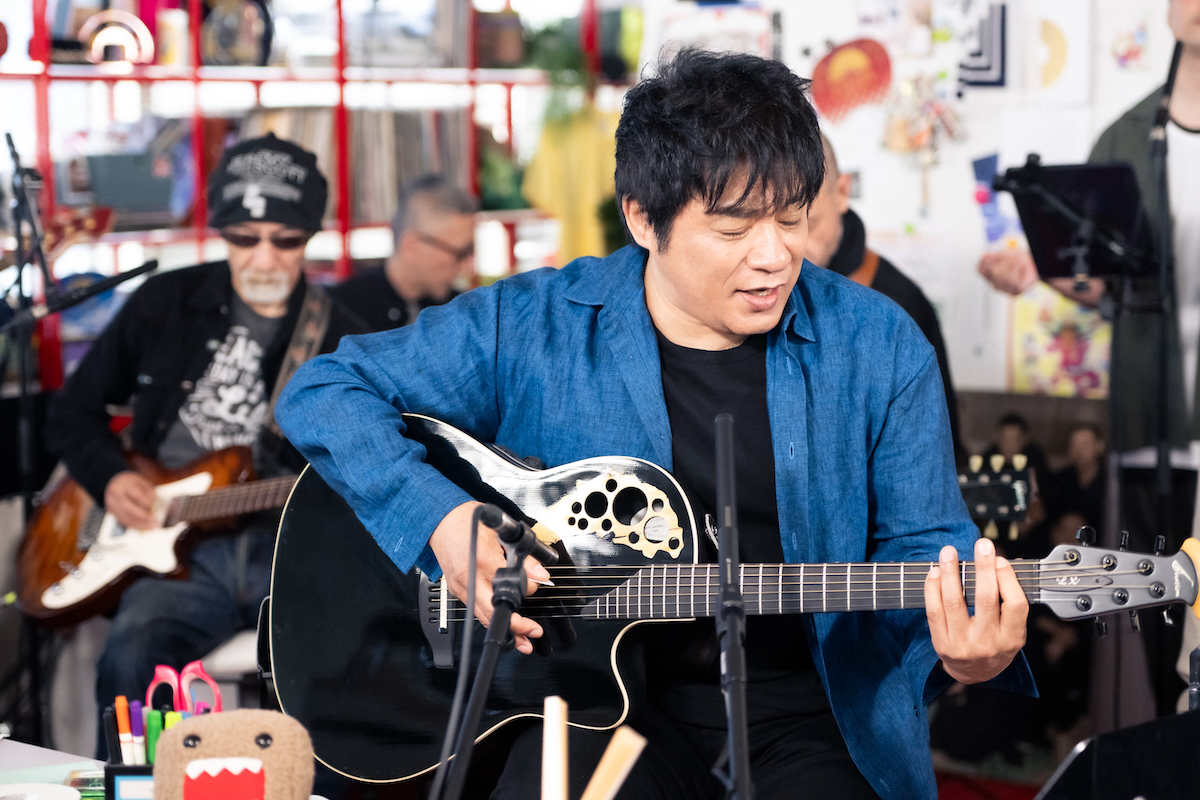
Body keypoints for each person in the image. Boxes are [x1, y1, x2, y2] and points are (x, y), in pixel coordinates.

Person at [276, 49, 1032, 800]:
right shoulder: (536, 323)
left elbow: (927, 550)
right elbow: (324, 389)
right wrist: (438, 519)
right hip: (582, 708)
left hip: (810, 713)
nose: (775, 257)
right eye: (734, 230)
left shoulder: (879, 343)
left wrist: (966, 654)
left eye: (793, 217)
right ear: (643, 217)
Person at [43, 133, 367, 751]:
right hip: (168, 549)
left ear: (309, 239)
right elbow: (73, 412)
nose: (264, 259)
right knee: (128, 660)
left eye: (285, 240)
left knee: (343, 670)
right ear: (221, 233)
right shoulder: (165, 303)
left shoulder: (343, 339)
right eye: (245, 239)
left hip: (283, 546)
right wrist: (112, 478)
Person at [977, 0, 1200, 714]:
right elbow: (1102, 283)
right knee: (1155, 622)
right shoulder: (1127, 137)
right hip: (1149, 419)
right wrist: (1040, 270)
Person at [805, 133, 964, 464]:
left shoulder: (898, 303)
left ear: (843, 192)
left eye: (809, 223)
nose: (789, 249)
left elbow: (936, 450)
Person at [328, 174, 478, 332]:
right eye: (460, 253)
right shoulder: (343, 312)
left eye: (471, 250)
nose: (466, 267)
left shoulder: (461, 311)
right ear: (411, 246)